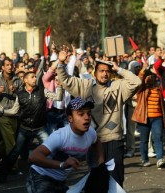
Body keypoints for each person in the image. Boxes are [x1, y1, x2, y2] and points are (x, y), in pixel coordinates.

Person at [56, 50, 141, 186]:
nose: (104, 74)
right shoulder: (86, 86)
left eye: (107, 71)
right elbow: (65, 80)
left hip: (114, 140)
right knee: (96, 181)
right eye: (101, 71)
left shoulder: (117, 87)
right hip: (93, 142)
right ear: (95, 73)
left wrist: (119, 69)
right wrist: (60, 63)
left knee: (116, 180)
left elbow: (136, 82)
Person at [26, 97, 105, 193]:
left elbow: (97, 142)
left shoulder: (91, 133)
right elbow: (33, 157)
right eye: (81, 114)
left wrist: (101, 162)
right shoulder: (60, 136)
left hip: (60, 181)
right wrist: (62, 164)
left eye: (88, 113)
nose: (87, 117)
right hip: (41, 177)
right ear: (70, 118)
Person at [132, 65, 165, 168]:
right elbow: (139, 80)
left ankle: (160, 159)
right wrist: (144, 69)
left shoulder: (158, 90)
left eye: (152, 77)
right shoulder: (141, 90)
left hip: (157, 118)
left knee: (158, 138)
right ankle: (144, 159)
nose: (150, 79)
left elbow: (162, 104)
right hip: (144, 118)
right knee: (144, 140)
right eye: (148, 77)